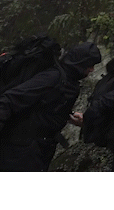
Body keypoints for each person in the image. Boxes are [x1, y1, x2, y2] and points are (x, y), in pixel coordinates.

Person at [0, 41, 102, 172]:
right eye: (90, 65)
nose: (92, 69)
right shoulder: (52, 77)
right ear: (80, 62)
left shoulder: (69, 81)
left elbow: (46, 107)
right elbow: (11, 99)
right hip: (21, 149)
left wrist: (67, 116)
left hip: (39, 149)